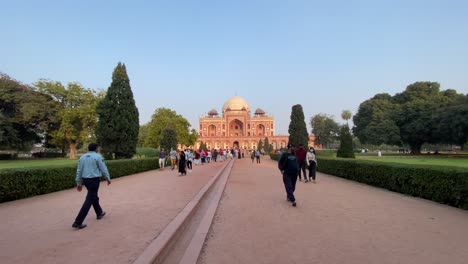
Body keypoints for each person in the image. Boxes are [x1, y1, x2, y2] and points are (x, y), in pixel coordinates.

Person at [72, 143, 111, 229]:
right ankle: (78, 222)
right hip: (94, 180)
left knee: (93, 196)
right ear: (96, 149)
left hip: (86, 180)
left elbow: (79, 171)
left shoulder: (82, 157)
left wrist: (79, 183)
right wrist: (108, 178)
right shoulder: (98, 156)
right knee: (89, 199)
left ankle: (99, 213)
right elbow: (103, 168)